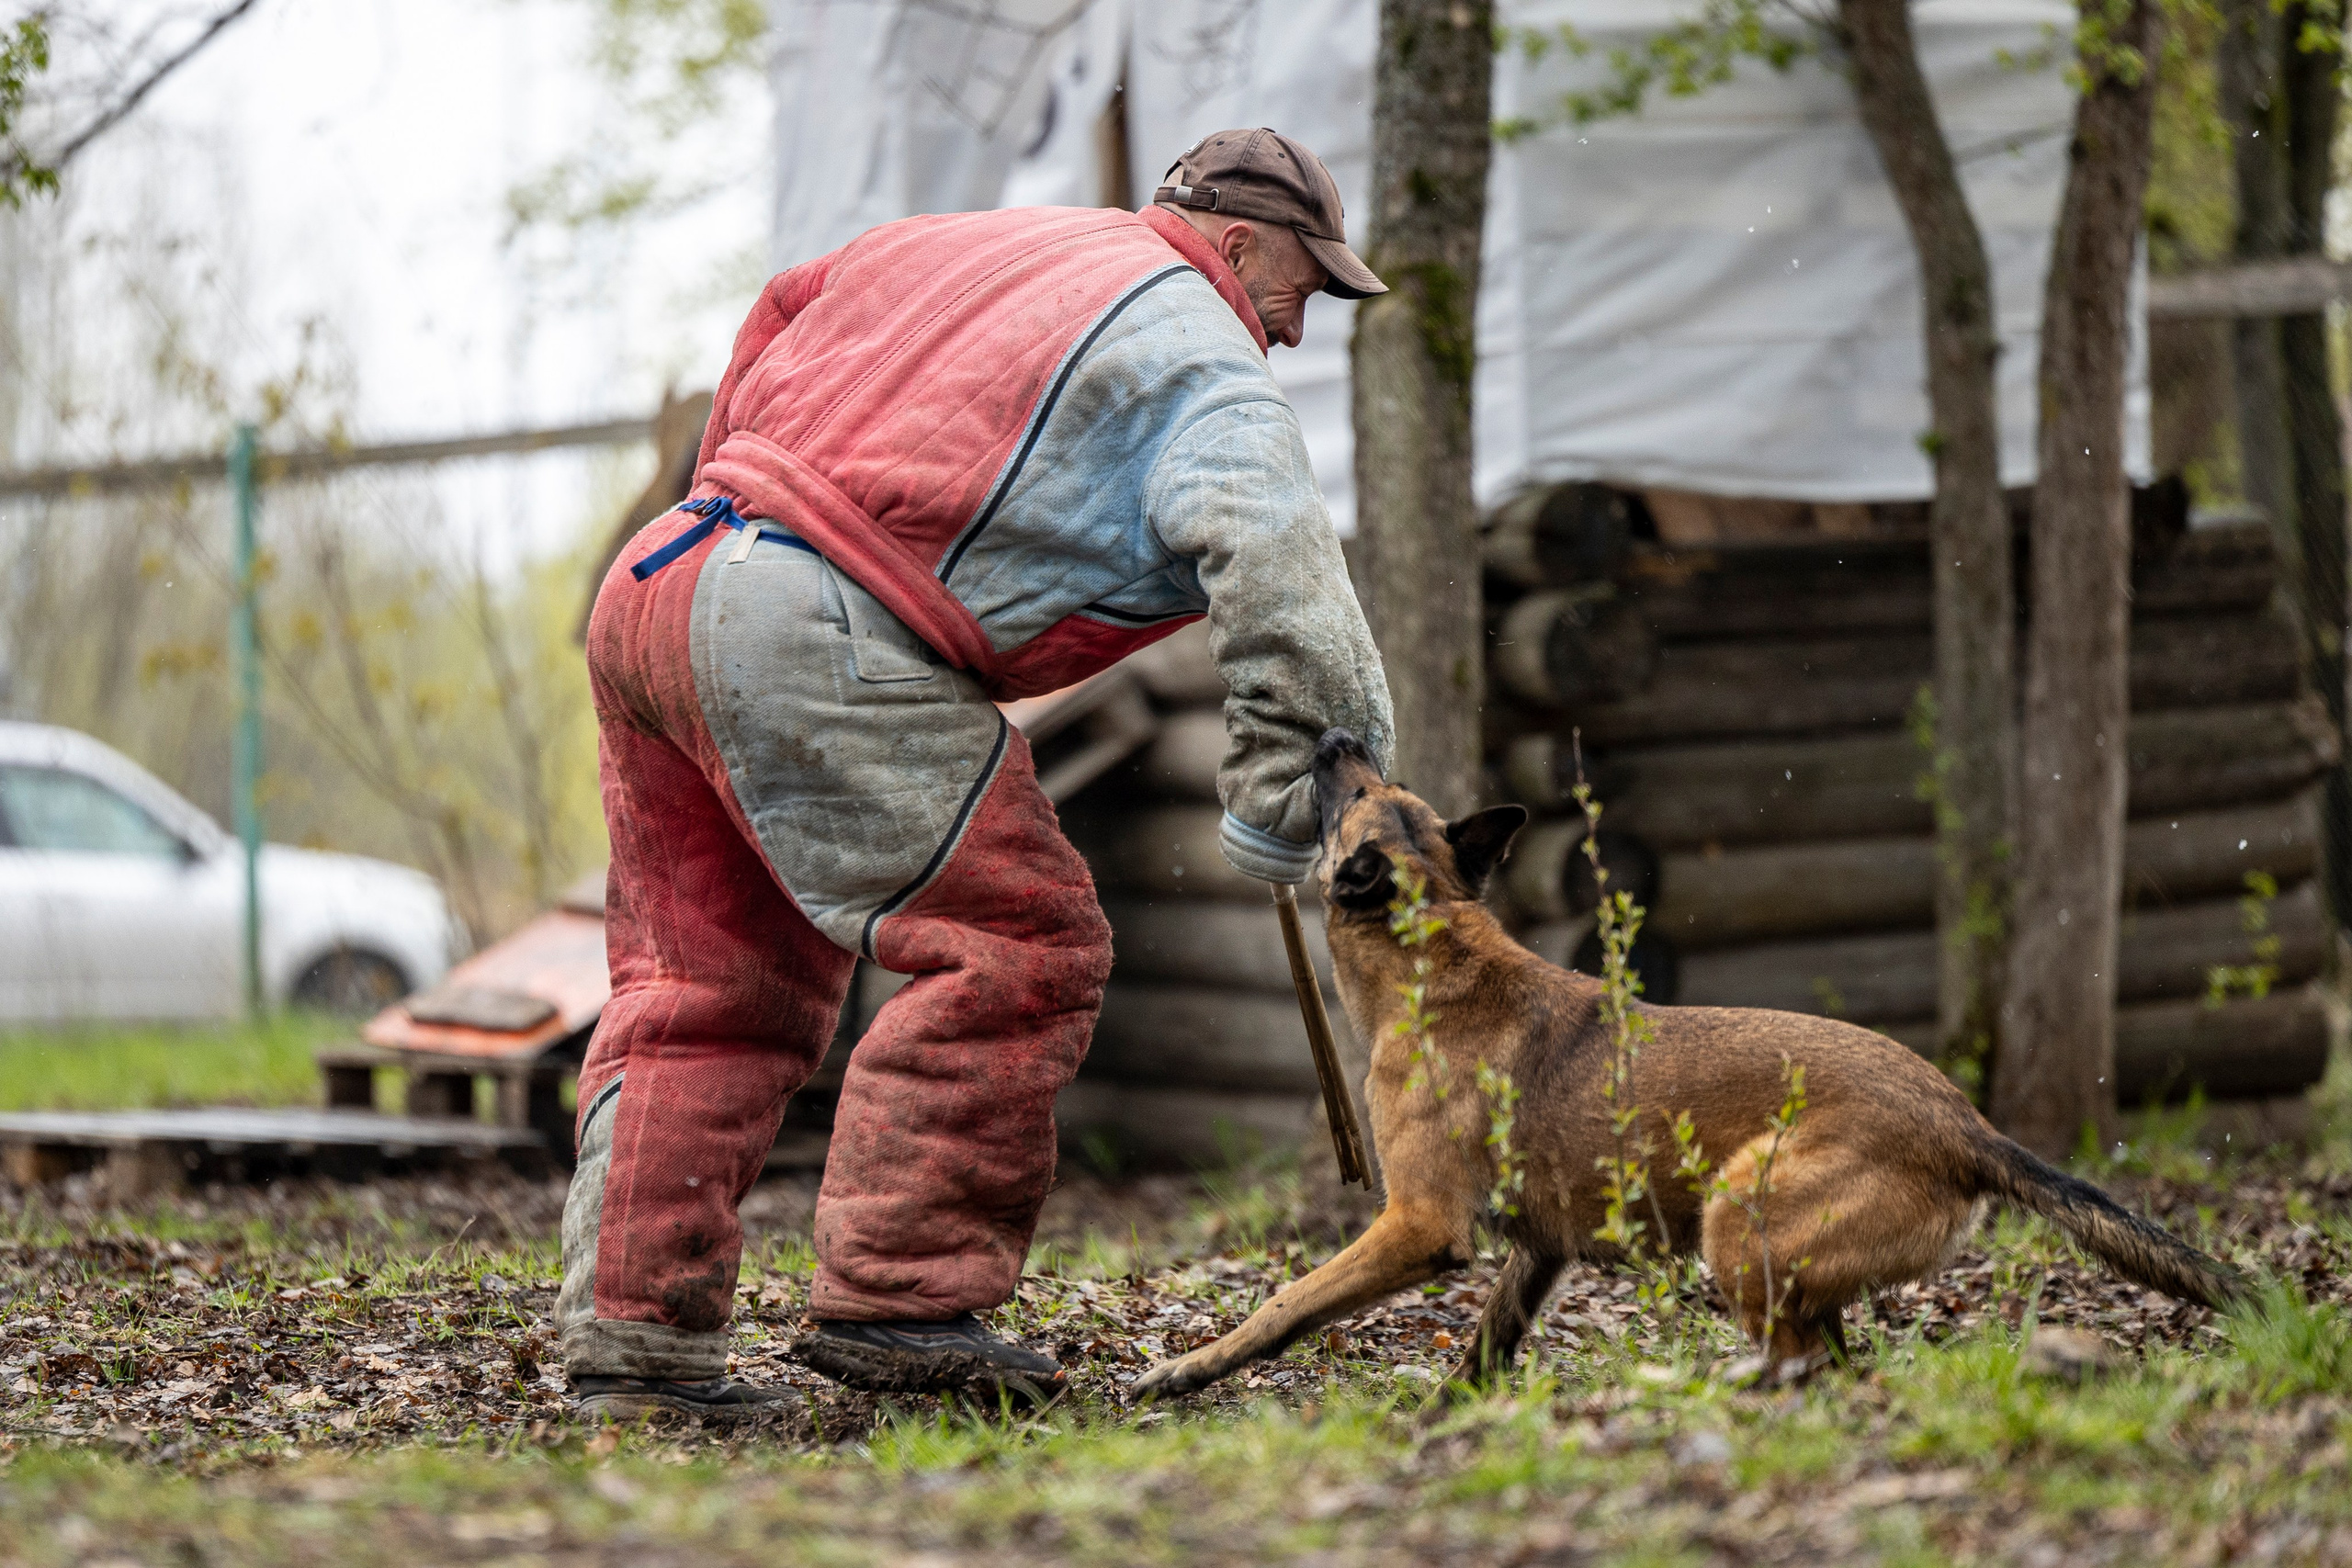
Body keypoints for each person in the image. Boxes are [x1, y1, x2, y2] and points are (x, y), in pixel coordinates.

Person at [557, 128, 1396, 1419]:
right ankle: (901, 1302)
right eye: (1303, 282)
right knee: (1024, 942)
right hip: (807, 622)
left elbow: (779, 315)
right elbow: (1286, 574)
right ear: (1235, 241)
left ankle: (636, 1349)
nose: (1298, 323)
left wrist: (749, 521)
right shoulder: (1204, 359)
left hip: (664, 577)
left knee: (703, 984)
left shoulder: (981, 239)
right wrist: (1295, 795)